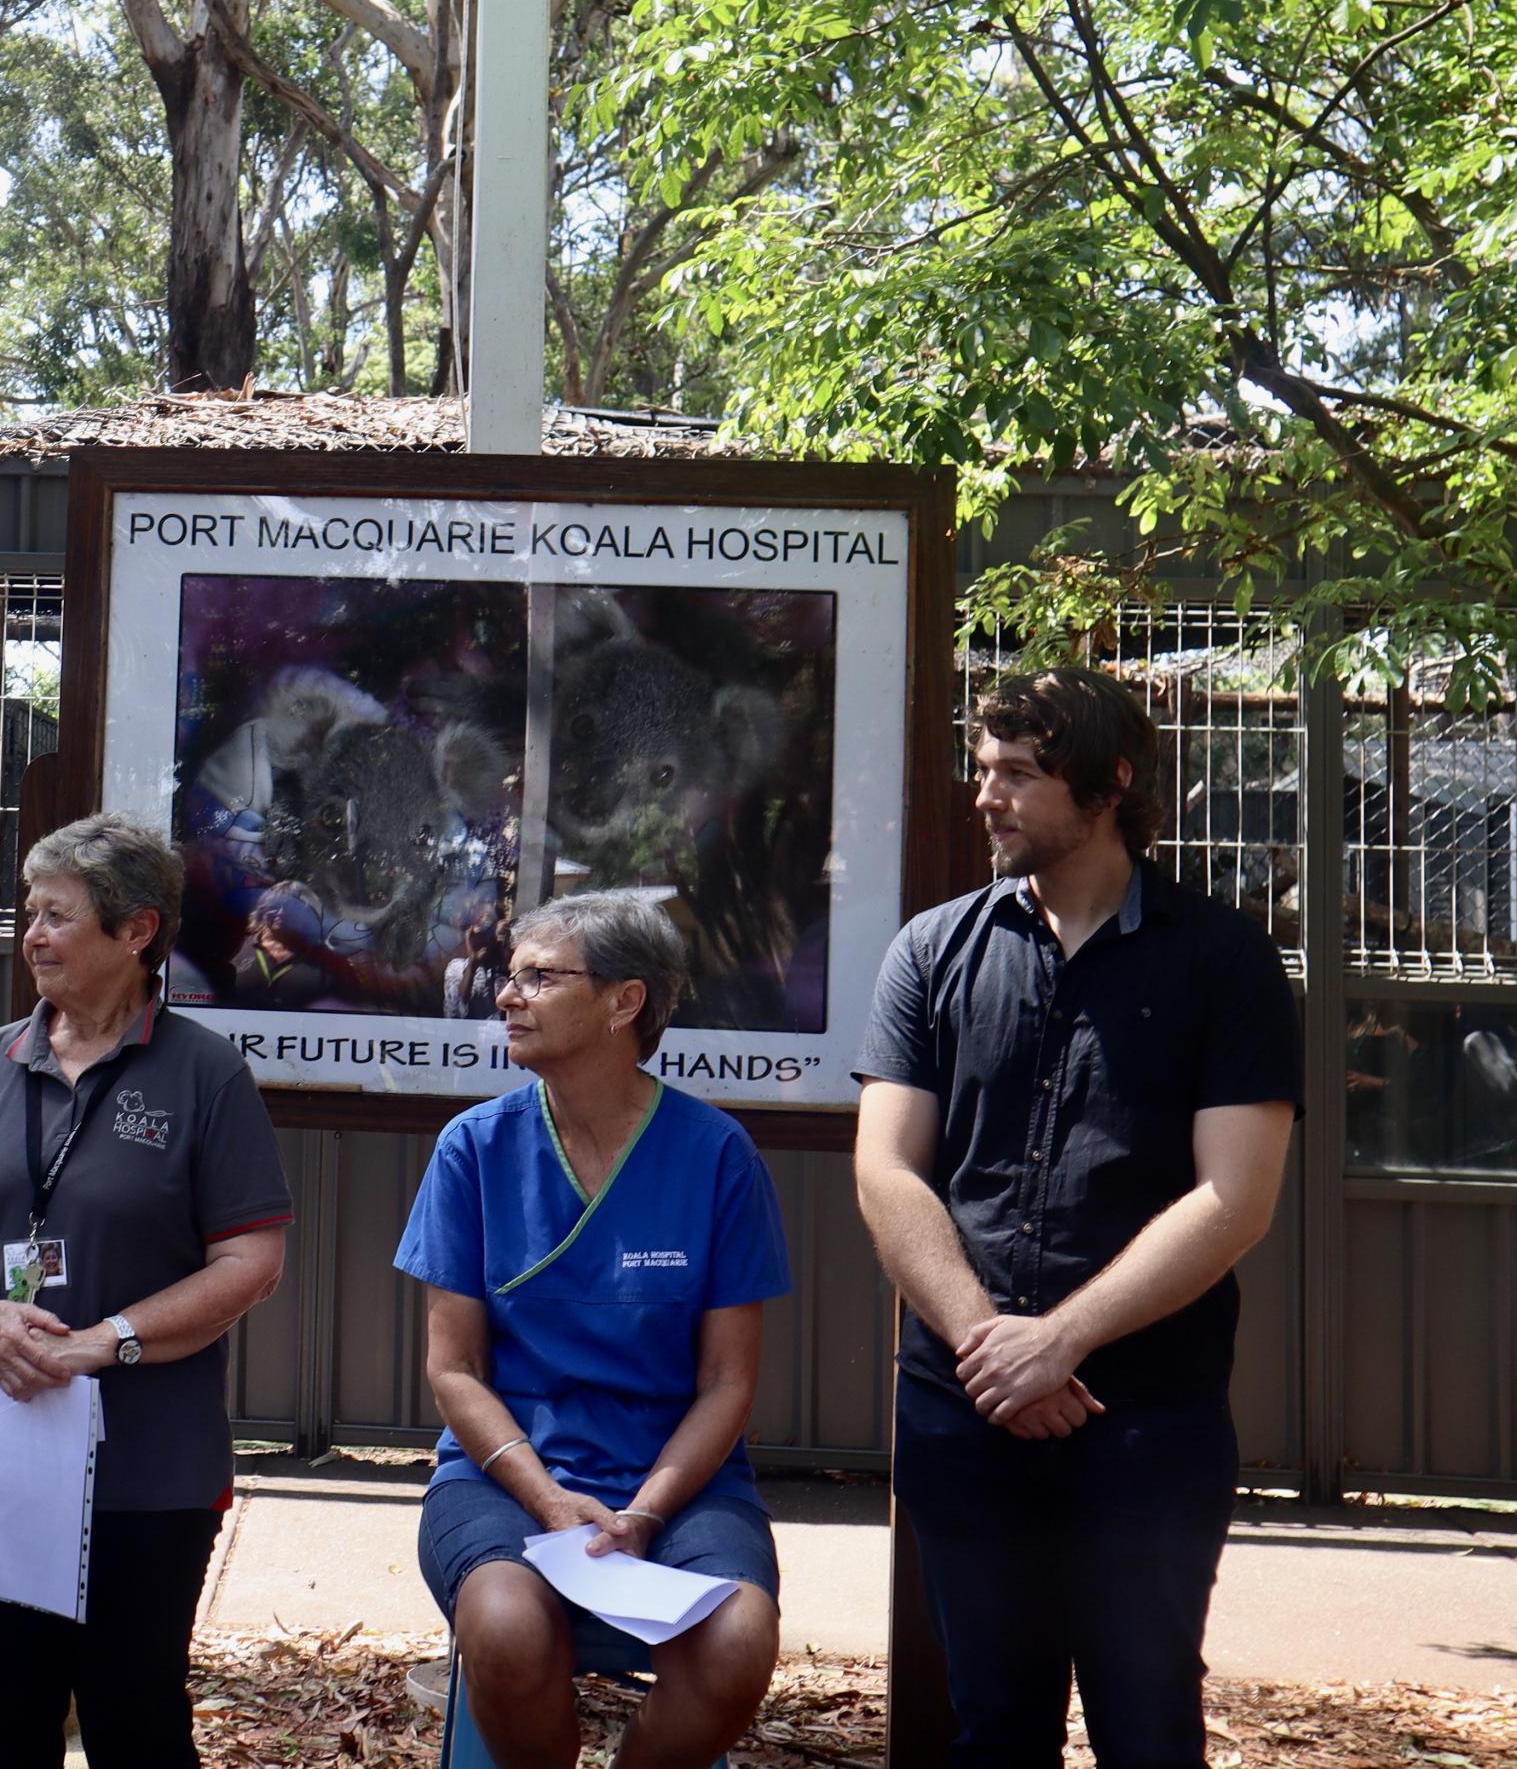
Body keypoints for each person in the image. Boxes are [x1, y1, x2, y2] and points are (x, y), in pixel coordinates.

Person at [856, 666, 1299, 1768]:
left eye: (1016, 773)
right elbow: (886, 1173)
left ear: (1109, 782)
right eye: (982, 767)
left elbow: (1234, 1197)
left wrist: (1058, 1342)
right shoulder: (930, 952)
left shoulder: (1222, 961)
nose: (983, 795)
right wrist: (987, 1348)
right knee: (993, 1725)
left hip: (1147, 1417)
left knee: (1147, 1723)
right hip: (962, 1411)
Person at [0, 813, 291, 1768]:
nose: (32, 934)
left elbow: (249, 1261)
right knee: (2, 1718)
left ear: (136, 930)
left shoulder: (204, 1073)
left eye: (57, 915)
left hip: (147, 1461)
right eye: (30, 913)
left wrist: (100, 1339)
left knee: (135, 1717)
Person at [395, 891, 790, 1769]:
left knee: (736, 1639)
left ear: (624, 1000)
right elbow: (453, 1369)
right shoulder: (474, 1147)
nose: (506, 994)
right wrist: (544, 1500)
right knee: (502, 1627)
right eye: (509, 974)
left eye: (539, 976)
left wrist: (646, 1511)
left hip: (679, 1484)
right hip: (505, 1477)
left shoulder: (715, 1154)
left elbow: (728, 1380)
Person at [229, 885, 333, 1009]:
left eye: (291, 908)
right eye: (275, 907)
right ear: (262, 911)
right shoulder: (236, 947)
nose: (282, 912)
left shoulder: (322, 959)